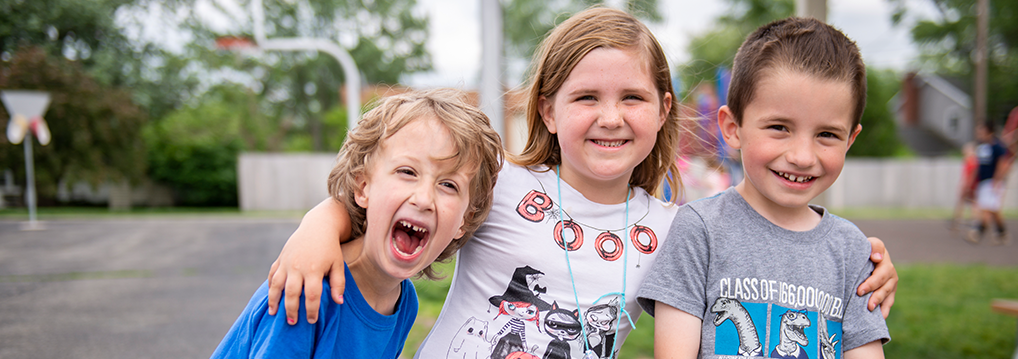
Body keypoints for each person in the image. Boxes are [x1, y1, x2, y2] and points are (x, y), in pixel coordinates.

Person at [262, 8, 899, 359]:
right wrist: (320, 223)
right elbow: (407, 201)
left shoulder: (680, 229)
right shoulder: (499, 185)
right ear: (547, 109)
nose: (611, 116)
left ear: (663, 110)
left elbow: (776, 239)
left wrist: (865, 262)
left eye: (632, 97)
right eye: (586, 97)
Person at [637, 18, 890, 359]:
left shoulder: (853, 252)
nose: (802, 156)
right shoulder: (700, 229)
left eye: (827, 135)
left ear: (850, 140)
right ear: (732, 128)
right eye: (779, 127)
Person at [211, 89, 504, 358]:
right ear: (363, 187)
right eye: (407, 171)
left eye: (449, 185)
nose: (424, 198)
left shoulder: (404, 302)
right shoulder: (309, 289)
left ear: (464, 220)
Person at [966, 121, 1012, 245]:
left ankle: (977, 232)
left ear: (989, 132)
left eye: (982, 131)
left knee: (985, 208)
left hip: (992, 182)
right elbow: (977, 166)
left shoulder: (998, 147)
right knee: (993, 210)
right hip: (983, 182)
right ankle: (1002, 233)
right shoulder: (981, 147)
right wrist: (971, 182)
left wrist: (997, 181)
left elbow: (1003, 164)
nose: (979, 134)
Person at [950, 142, 977, 231]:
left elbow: (972, 174)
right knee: (971, 202)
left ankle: (958, 221)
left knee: (967, 202)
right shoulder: (968, 160)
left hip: (970, 184)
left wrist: (968, 185)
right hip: (970, 184)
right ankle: (964, 221)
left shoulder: (972, 160)